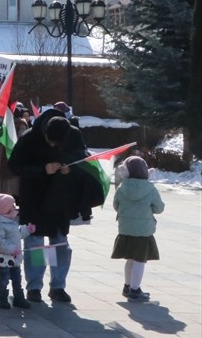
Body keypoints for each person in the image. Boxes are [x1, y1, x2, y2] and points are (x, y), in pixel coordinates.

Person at [9, 111, 102, 304]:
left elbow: (83, 160)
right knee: (36, 244)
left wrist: (70, 168)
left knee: (59, 243)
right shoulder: (30, 137)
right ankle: (34, 287)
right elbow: (14, 167)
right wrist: (43, 169)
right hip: (34, 198)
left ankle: (58, 286)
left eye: (57, 143)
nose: (53, 146)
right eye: (50, 142)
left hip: (61, 198)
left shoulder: (74, 135)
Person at [110, 156, 163, 302]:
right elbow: (159, 208)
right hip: (143, 230)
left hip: (125, 229)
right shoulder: (150, 188)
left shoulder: (122, 187)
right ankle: (135, 289)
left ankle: (127, 286)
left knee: (130, 259)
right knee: (140, 260)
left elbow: (116, 206)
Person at [0, 193, 33, 309]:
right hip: (3, 259)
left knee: (17, 278)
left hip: (14, 258)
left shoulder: (9, 220)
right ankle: (2, 298)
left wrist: (26, 230)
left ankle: (18, 297)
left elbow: (16, 234)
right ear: (4, 209)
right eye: (12, 205)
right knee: (4, 279)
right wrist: (12, 249)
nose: (14, 207)